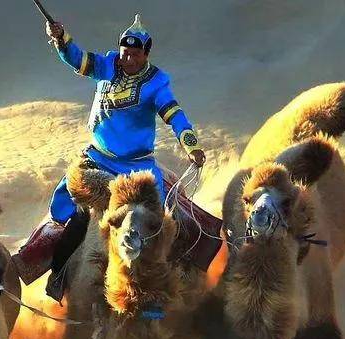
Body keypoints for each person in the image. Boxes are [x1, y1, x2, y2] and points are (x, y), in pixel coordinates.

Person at [13, 13, 207, 299]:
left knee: (164, 219)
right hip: (98, 158)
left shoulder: (157, 83)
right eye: (125, 53)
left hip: (136, 167)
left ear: (146, 54)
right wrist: (61, 38)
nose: (128, 59)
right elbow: (78, 60)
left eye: (134, 54)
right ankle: (58, 273)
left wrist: (191, 145)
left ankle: (178, 276)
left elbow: (174, 115)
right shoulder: (107, 65)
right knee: (72, 211)